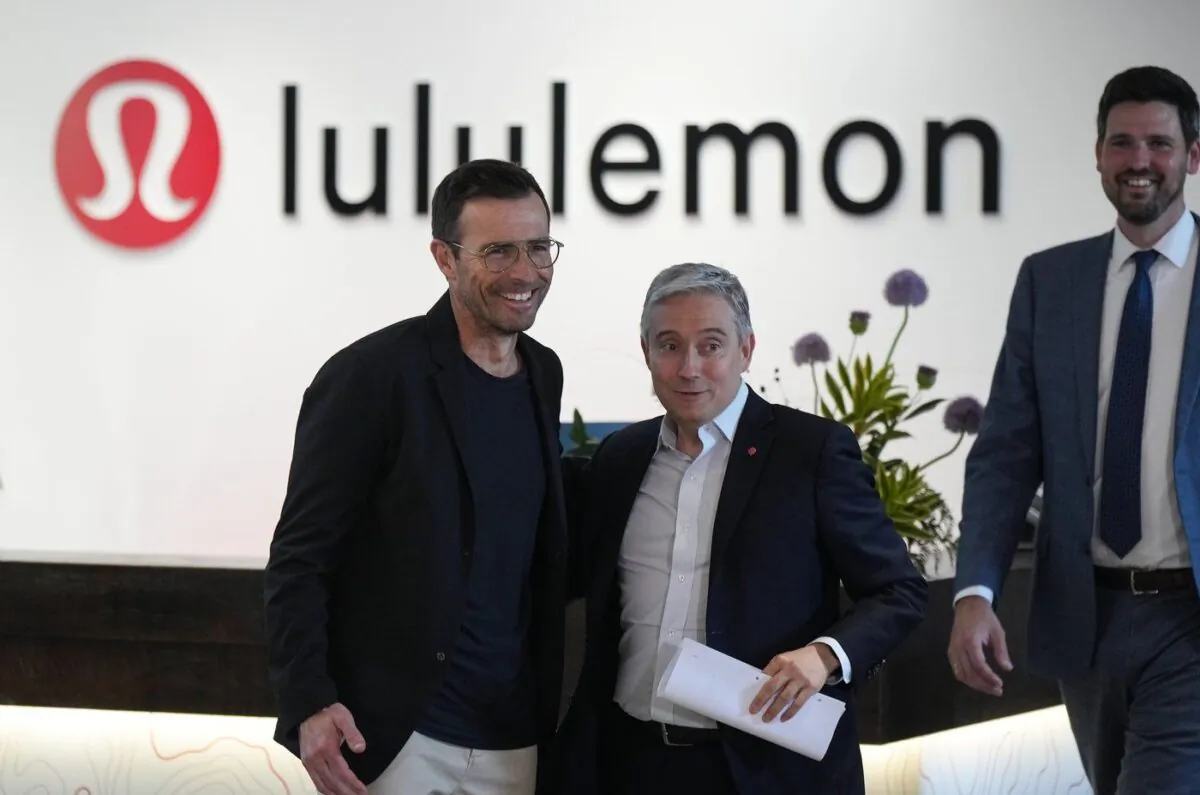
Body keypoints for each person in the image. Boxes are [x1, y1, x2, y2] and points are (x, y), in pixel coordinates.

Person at [263, 158, 574, 795]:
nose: (525, 271)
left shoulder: (544, 373)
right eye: (498, 251)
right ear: (444, 258)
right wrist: (309, 702)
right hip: (398, 741)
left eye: (538, 247)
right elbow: (300, 557)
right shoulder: (372, 377)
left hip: (516, 737)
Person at [559, 262, 928, 795]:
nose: (689, 368)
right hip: (629, 760)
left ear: (746, 350)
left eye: (711, 345)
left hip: (766, 771)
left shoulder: (811, 452)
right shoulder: (620, 457)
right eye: (669, 345)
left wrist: (824, 656)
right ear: (646, 353)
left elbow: (900, 591)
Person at [949, 65, 1200, 795]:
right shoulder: (1048, 282)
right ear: (1097, 154)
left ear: (1192, 154)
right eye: (1122, 143)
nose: (1139, 162)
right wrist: (975, 591)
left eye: (1158, 143)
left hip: (1190, 617)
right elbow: (1005, 454)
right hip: (1083, 612)